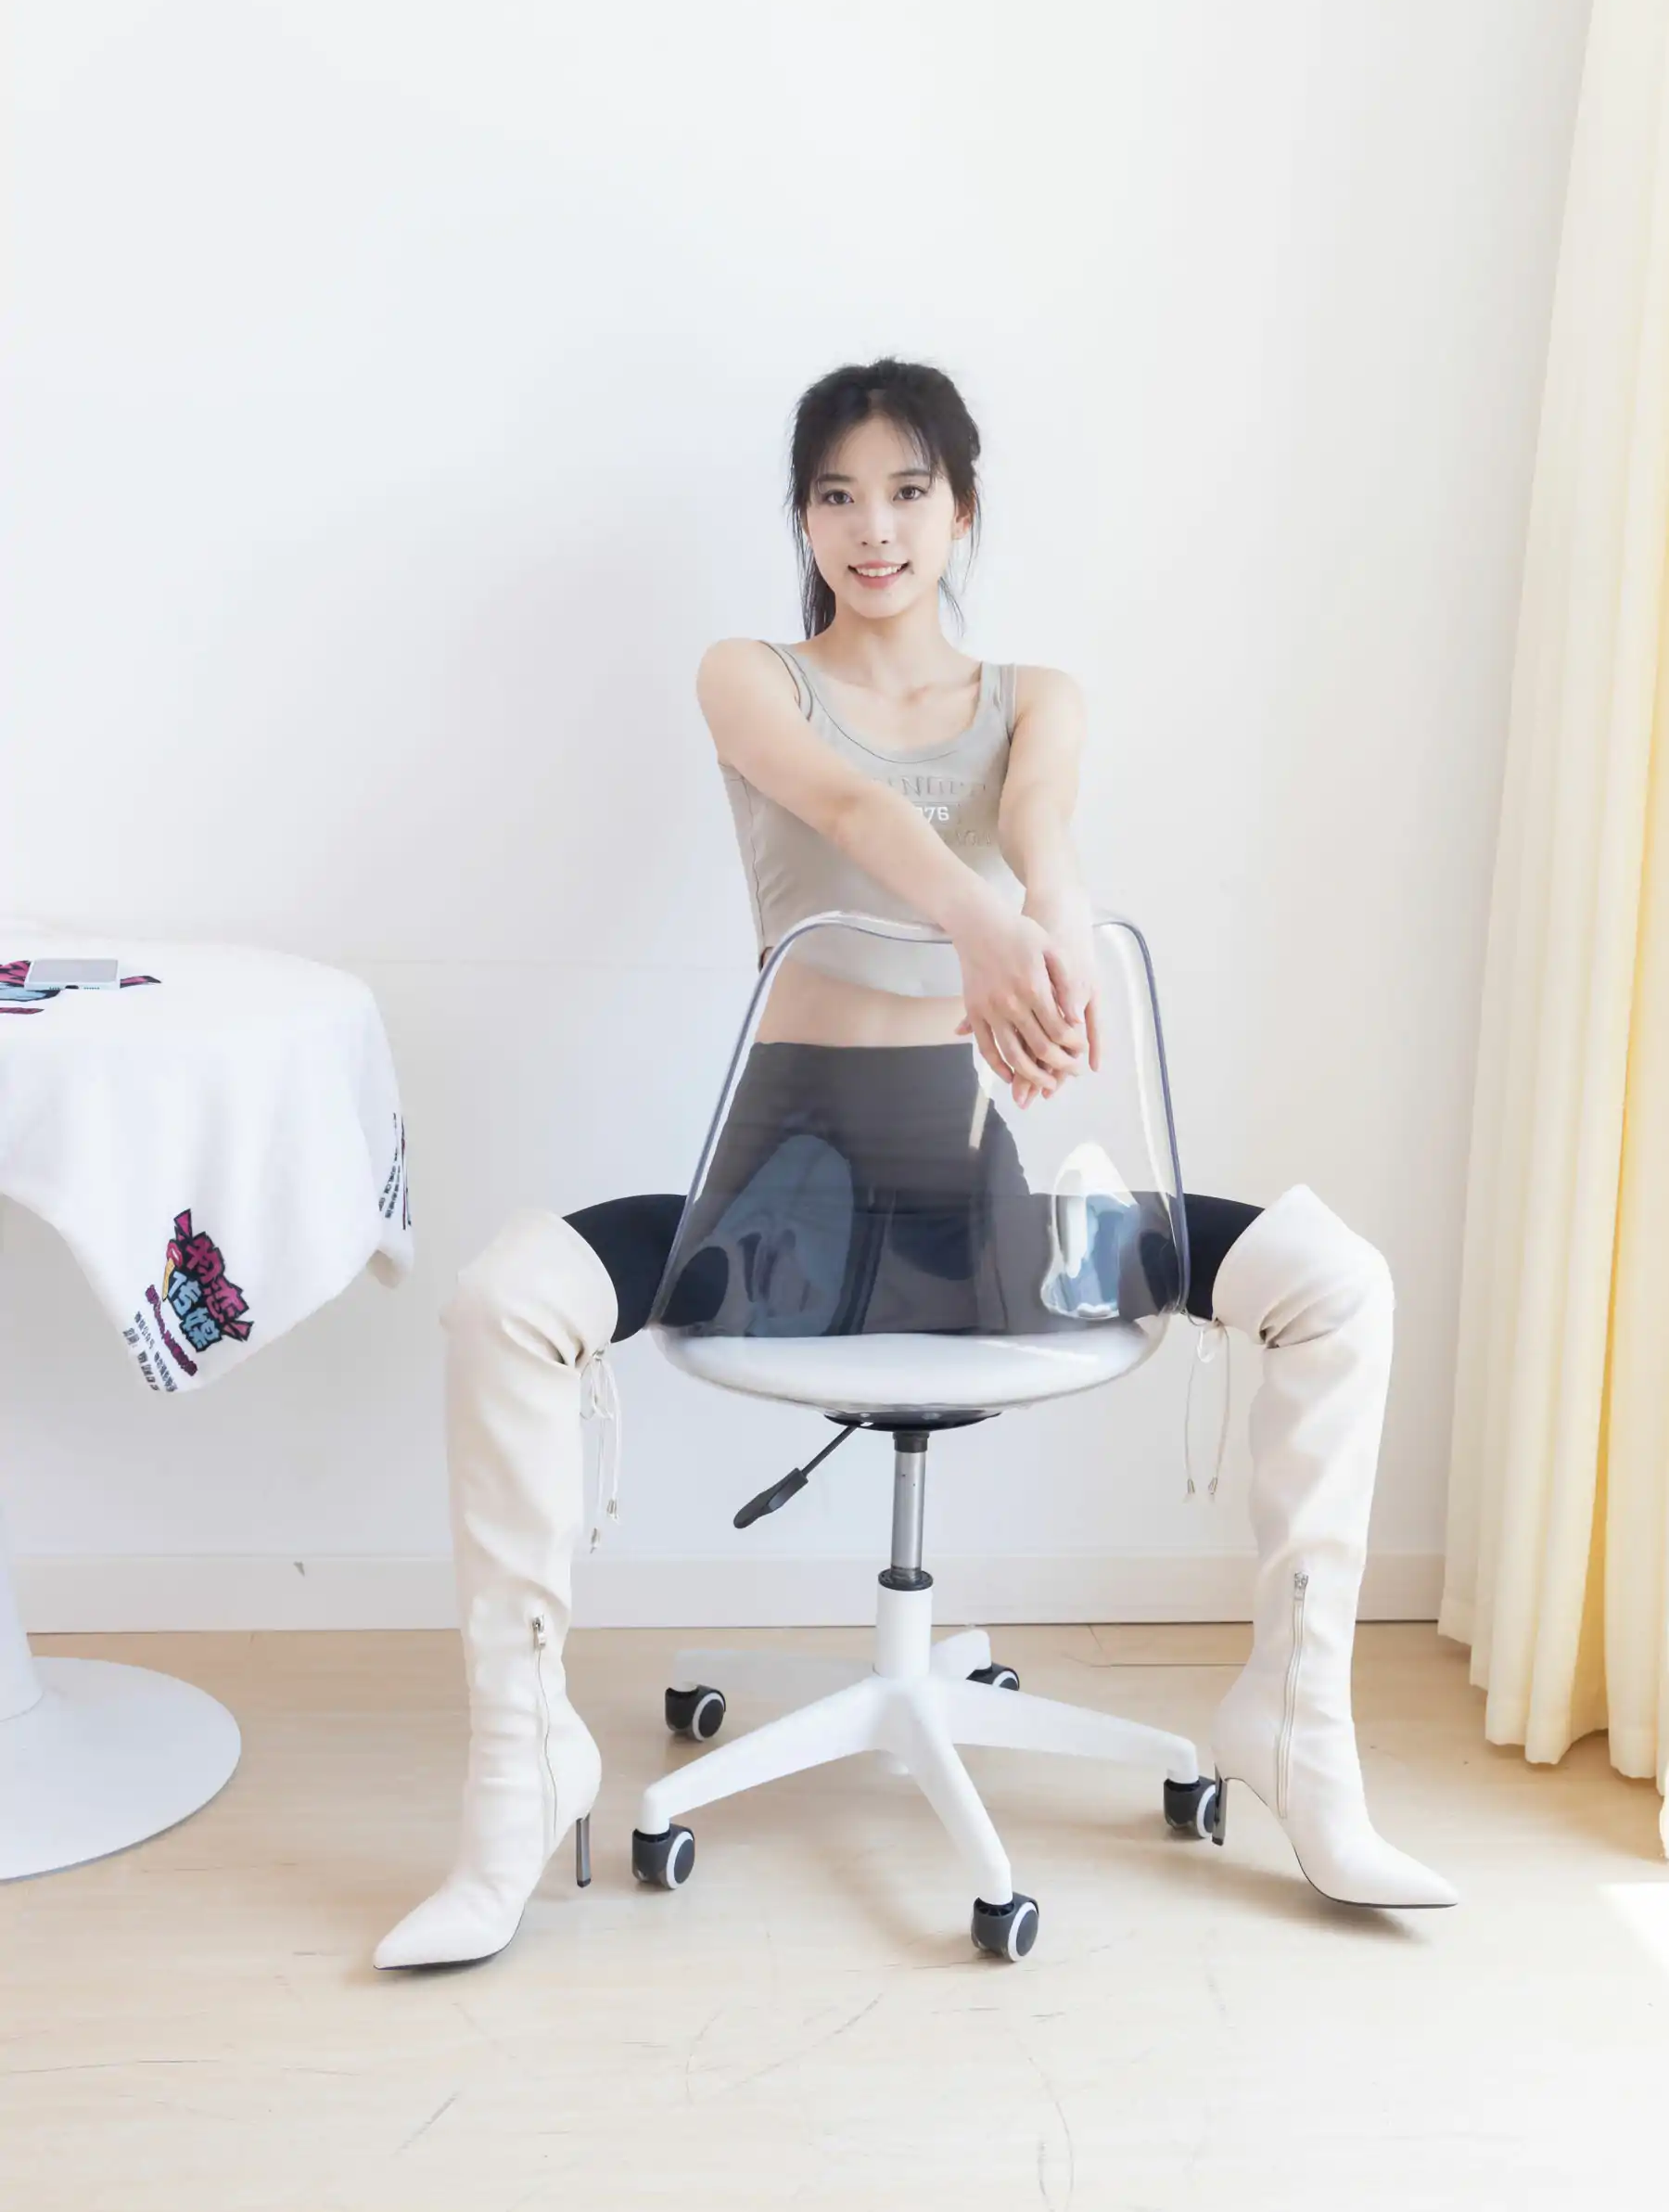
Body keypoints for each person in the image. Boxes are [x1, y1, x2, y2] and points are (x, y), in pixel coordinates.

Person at [375, 358, 1458, 1970]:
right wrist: (980, 930)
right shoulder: (750, 675)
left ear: (961, 508)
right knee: (500, 1303)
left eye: (905, 490)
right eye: (835, 494)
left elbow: (1046, 831)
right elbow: (846, 805)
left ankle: (1297, 1727)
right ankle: (521, 1774)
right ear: (803, 518)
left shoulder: (1038, 694)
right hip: (774, 1212)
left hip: (974, 1214)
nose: (871, 527)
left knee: (1333, 1279)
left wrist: (1054, 934)